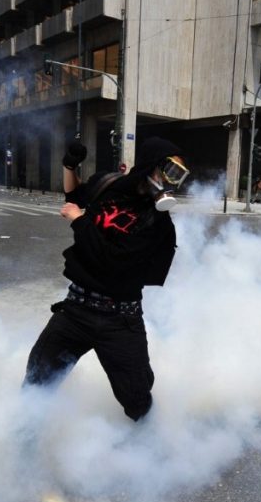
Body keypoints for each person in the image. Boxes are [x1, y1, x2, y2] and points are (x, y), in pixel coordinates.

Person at [24, 137, 187, 421]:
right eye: (170, 171)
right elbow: (75, 197)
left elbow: (113, 261)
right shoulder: (109, 184)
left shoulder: (157, 223)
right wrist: (69, 166)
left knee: (136, 399)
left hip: (119, 321)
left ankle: (152, 451)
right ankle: (20, 452)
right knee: (37, 382)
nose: (172, 183)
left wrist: (79, 221)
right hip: (75, 310)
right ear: (150, 166)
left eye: (179, 177)